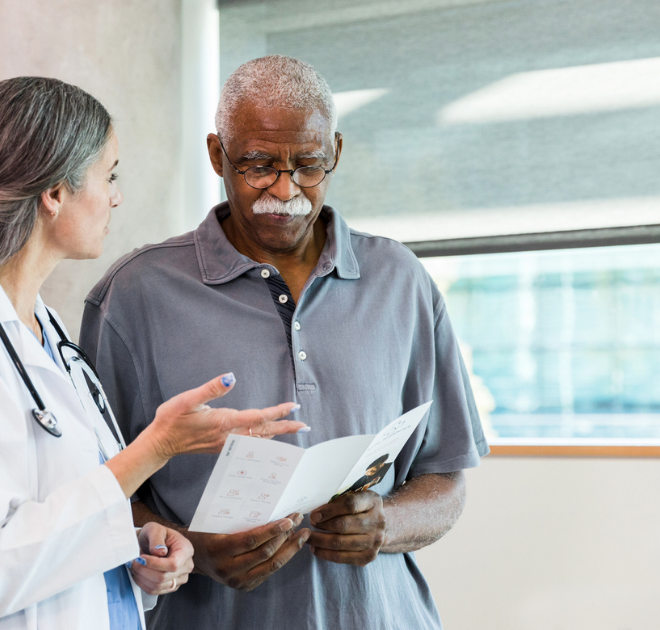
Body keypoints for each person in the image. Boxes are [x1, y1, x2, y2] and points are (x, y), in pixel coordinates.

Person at [0, 77, 307, 630]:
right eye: (109, 175)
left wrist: (136, 550)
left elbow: (55, 523)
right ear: (54, 192)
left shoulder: (42, 327)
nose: (117, 196)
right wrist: (156, 448)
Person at [80, 56, 489, 629]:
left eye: (309, 166)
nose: (285, 189)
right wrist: (192, 549)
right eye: (258, 165)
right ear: (217, 155)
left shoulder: (401, 280)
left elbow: (446, 479)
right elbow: (90, 495)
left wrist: (386, 524)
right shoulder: (134, 295)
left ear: (336, 153)